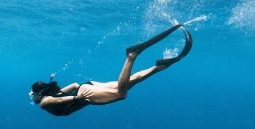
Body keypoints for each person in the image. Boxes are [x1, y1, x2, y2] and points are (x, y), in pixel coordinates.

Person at [29, 24, 193, 116]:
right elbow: (72, 85)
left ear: (39, 94)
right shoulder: (50, 95)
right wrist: (76, 93)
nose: (34, 98)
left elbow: (58, 101)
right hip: (86, 86)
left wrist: (77, 97)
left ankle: (131, 55)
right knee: (127, 84)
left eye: (34, 95)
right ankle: (159, 67)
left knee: (121, 93)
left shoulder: (44, 102)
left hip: (85, 93)